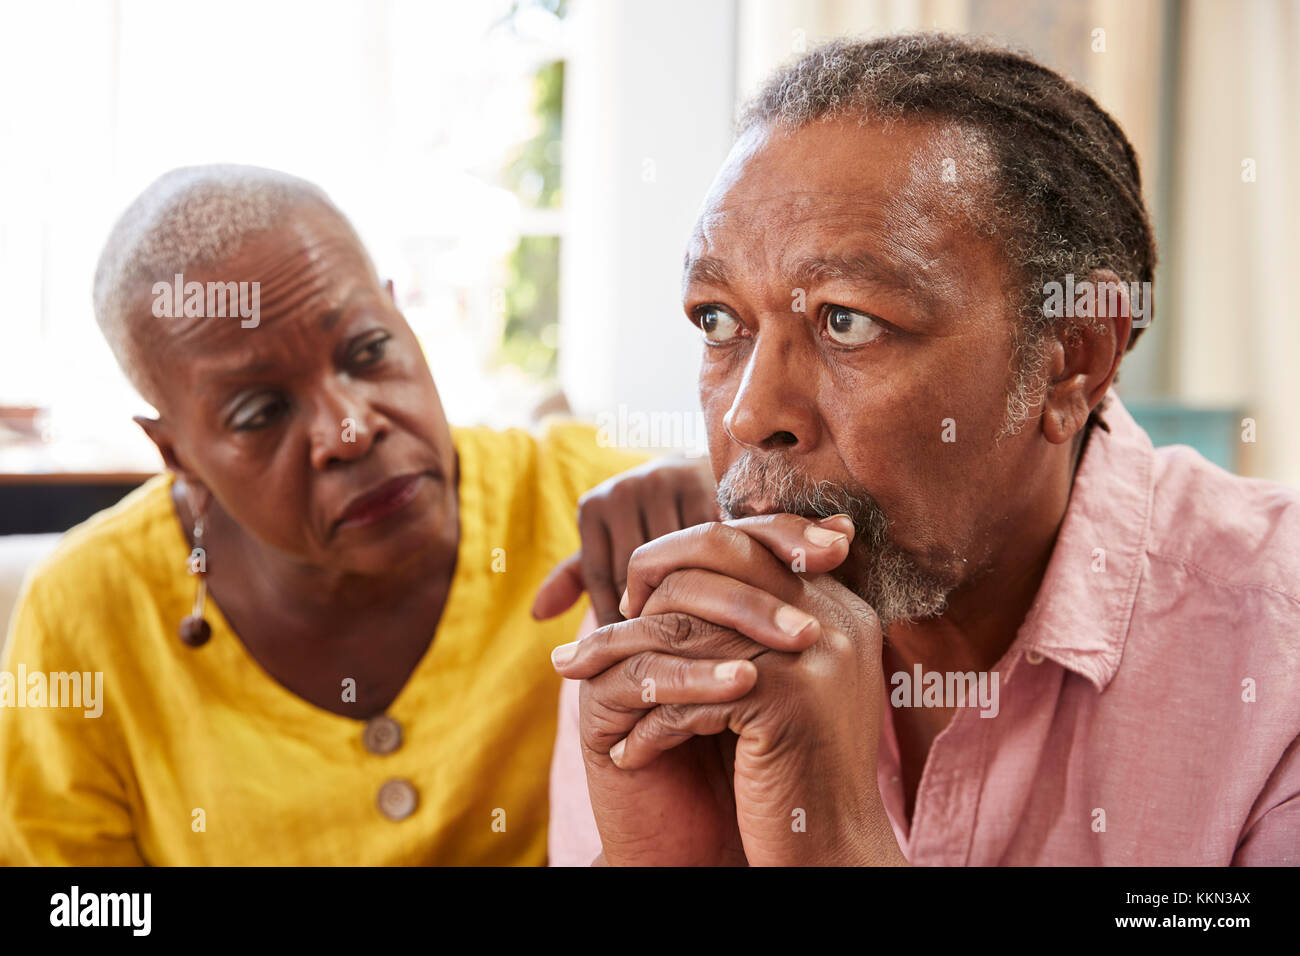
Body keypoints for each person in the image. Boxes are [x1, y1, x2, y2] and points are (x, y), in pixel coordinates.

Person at [543, 33, 1300, 866]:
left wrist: (833, 846)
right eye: (719, 321)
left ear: (1072, 359)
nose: (751, 415)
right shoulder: (678, 636)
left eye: (848, 321)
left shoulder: (1275, 663)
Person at [0, 165, 716, 865]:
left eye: (368, 351)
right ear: (176, 451)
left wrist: (728, 499)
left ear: (402, 316)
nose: (350, 430)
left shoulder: (593, 503)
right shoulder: (85, 612)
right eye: (261, 412)